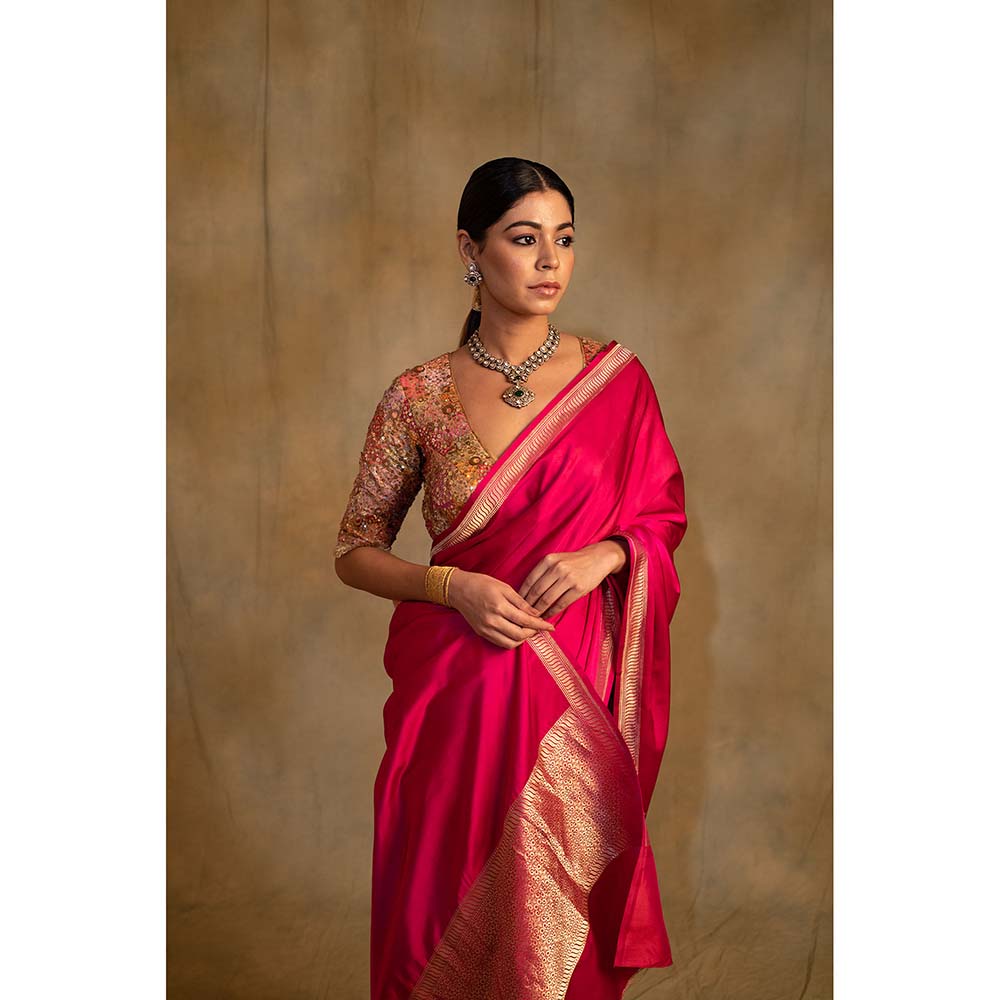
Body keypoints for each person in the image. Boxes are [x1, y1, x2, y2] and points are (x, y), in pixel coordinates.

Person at [334, 157, 687, 1000]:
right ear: (471, 249)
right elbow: (355, 549)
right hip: (454, 701)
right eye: (524, 239)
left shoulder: (617, 380)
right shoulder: (418, 396)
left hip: (571, 698)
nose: (550, 260)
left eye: (564, 239)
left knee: (557, 919)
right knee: (439, 908)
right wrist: (451, 586)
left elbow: (662, 516)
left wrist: (610, 553)